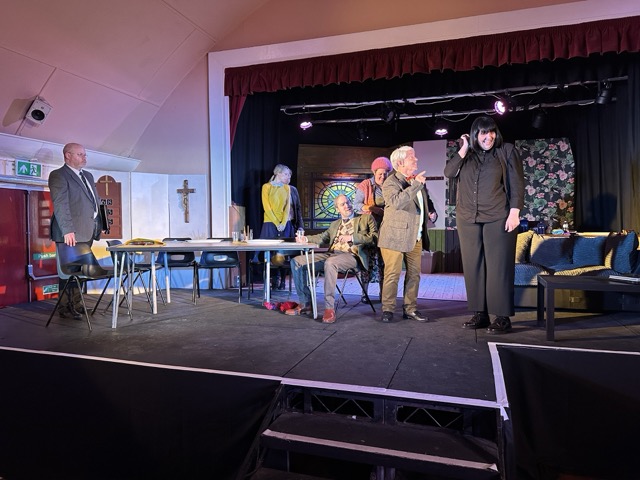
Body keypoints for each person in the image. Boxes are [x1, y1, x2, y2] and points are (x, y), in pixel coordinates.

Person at [444, 115, 524, 334]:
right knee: (473, 266)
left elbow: (517, 182)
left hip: (498, 216)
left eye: (491, 132)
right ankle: (480, 313)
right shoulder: (466, 155)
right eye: (483, 133)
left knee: (498, 267)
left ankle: (502, 317)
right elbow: (449, 173)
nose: (488, 137)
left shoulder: (506, 151)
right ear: (474, 135)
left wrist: (514, 212)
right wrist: (464, 147)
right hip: (467, 218)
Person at [286, 194, 378, 323]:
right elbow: (322, 237)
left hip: (352, 257)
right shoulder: (335, 224)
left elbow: (374, 238)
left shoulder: (365, 218)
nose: (347, 206)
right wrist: (305, 238)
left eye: (348, 202)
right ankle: (305, 303)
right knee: (297, 262)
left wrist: (352, 238)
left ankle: (329, 308)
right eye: (342, 204)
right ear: (337, 209)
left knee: (330, 263)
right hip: (332, 254)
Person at [378, 146, 437, 323]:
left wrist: (431, 211)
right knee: (392, 274)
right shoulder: (391, 182)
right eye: (412, 157)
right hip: (393, 236)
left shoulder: (417, 180)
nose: (416, 159)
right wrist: (416, 184)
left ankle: (410, 309)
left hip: (415, 236)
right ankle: (388, 309)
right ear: (400, 162)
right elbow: (397, 202)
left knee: (414, 275)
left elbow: (424, 202)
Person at [49, 142, 103, 319]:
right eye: (80, 154)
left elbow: (93, 202)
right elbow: (61, 204)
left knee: (81, 270)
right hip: (70, 233)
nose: (84, 158)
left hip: (86, 231)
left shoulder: (87, 175)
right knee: (69, 271)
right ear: (68, 155)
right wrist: (67, 230)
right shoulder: (59, 175)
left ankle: (78, 305)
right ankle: (65, 307)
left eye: (85, 154)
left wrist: (99, 223)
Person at [353, 156, 393, 302]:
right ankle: (364, 294)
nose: (383, 177)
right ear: (374, 172)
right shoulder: (365, 185)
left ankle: (384, 294)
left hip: (386, 229)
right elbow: (356, 205)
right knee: (367, 262)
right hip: (368, 230)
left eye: (385, 174)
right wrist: (373, 209)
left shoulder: (391, 185)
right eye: (380, 174)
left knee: (384, 263)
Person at [260, 164, 303, 289]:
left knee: (283, 252)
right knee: (271, 252)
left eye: (289, 174)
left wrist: (283, 223)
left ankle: (283, 280)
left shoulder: (287, 188)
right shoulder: (266, 187)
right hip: (270, 223)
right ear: (278, 173)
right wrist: (276, 222)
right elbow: (266, 207)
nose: (288, 177)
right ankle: (273, 280)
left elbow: (288, 208)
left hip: (285, 223)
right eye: (286, 174)